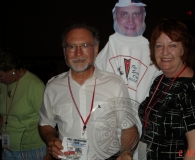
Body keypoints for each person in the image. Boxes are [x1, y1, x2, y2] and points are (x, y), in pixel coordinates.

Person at [38, 23, 139, 160]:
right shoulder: (53, 87)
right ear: (64, 52)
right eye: (72, 46)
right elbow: (45, 123)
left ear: (96, 49)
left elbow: (129, 128)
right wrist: (51, 139)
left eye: (85, 46)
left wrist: (127, 151)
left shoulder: (114, 84)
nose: (78, 53)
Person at [138, 19, 195, 160]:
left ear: (184, 49)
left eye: (172, 45)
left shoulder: (193, 88)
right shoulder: (160, 80)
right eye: (159, 45)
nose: (164, 52)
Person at [95, 0, 162, 103]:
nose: (131, 21)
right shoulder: (100, 59)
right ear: (115, 16)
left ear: (143, 16)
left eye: (136, 14)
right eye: (124, 14)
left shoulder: (156, 55)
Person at [0, 48, 49, 159]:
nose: (0, 79)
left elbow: (48, 120)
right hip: (8, 148)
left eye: (0, 75)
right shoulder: (3, 85)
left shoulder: (34, 85)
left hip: (32, 149)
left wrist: (49, 151)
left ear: (12, 70)